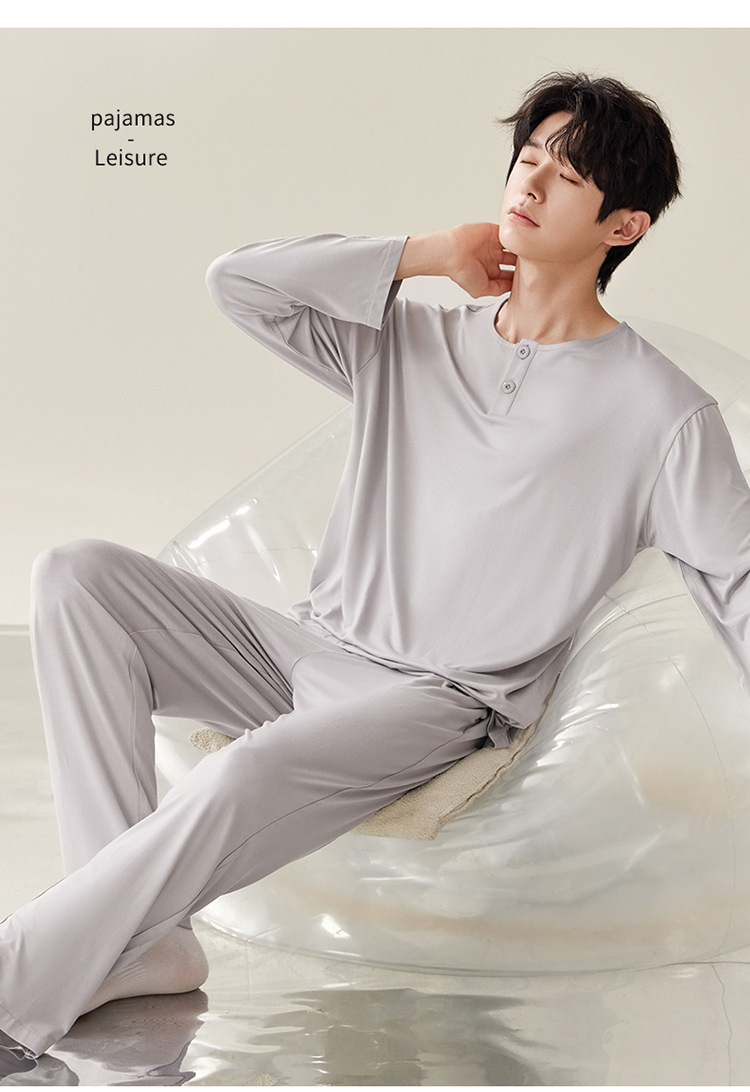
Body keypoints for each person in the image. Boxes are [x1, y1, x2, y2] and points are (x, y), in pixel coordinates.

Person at [3, 70, 750, 1064]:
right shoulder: (412, 339)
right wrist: (427, 254)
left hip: (435, 700)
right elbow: (238, 282)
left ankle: (20, 982)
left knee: (246, 770)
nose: (530, 184)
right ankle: (135, 949)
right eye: (527, 159)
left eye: (567, 176)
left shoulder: (661, 413)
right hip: (307, 650)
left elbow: (737, 583)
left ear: (625, 226)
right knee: (76, 576)